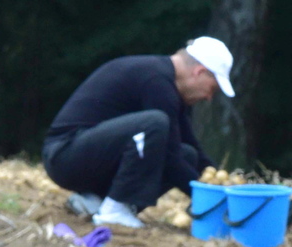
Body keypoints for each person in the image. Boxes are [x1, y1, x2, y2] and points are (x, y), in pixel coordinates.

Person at [42, 38, 233, 229]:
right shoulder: (156, 81)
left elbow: (190, 146)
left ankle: (98, 202)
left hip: (88, 157)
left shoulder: (165, 83)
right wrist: (206, 196)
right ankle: (115, 210)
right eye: (212, 89)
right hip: (64, 156)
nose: (208, 98)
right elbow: (170, 155)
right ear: (199, 72)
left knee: (188, 155)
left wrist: (221, 184)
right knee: (154, 123)